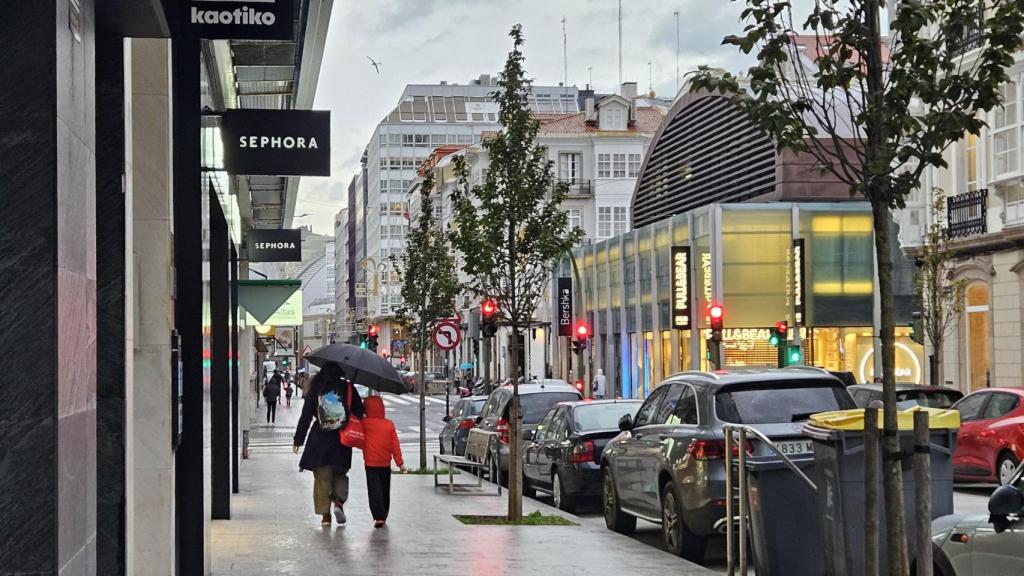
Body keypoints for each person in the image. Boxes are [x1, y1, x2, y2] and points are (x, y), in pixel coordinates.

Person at [293, 364, 365, 527]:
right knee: (340, 473)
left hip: (320, 440)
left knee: (322, 478)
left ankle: (325, 516)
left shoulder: (317, 387)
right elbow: (359, 412)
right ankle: (338, 502)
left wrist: (298, 439)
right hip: (342, 440)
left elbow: (306, 415)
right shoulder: (347, 387)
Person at [361, 396, 405, 528]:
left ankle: (378, 515)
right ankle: (384, 513)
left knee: (374, 490)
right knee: (385, 489)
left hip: (370, 463)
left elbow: (358, 439)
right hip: (385, 463)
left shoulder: (364, 423)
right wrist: (399, 462)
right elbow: (394, 444)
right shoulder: (389, 424)